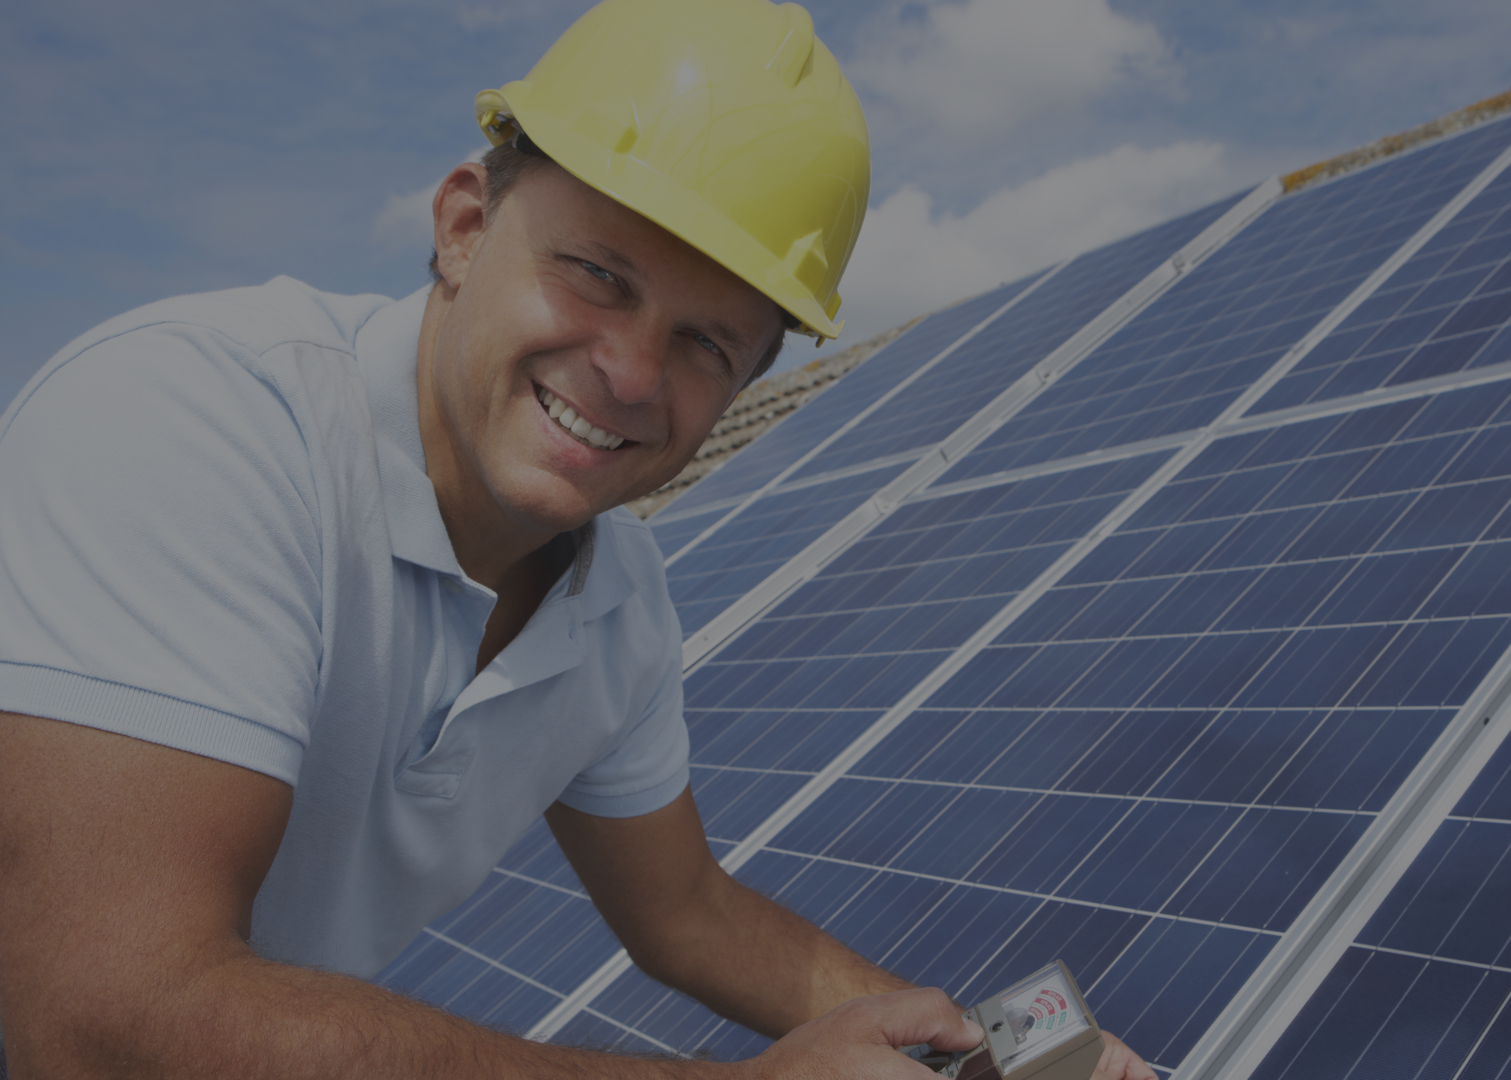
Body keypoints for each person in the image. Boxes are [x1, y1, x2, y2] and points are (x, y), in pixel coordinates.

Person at [0, 1, 1157, 1077]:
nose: (631, 372)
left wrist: (994, 1051)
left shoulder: (619, 607)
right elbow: (98, 1013)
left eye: (708, 343)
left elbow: (686, 911)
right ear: (464, 226)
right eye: (597, 275)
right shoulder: (198, 423)